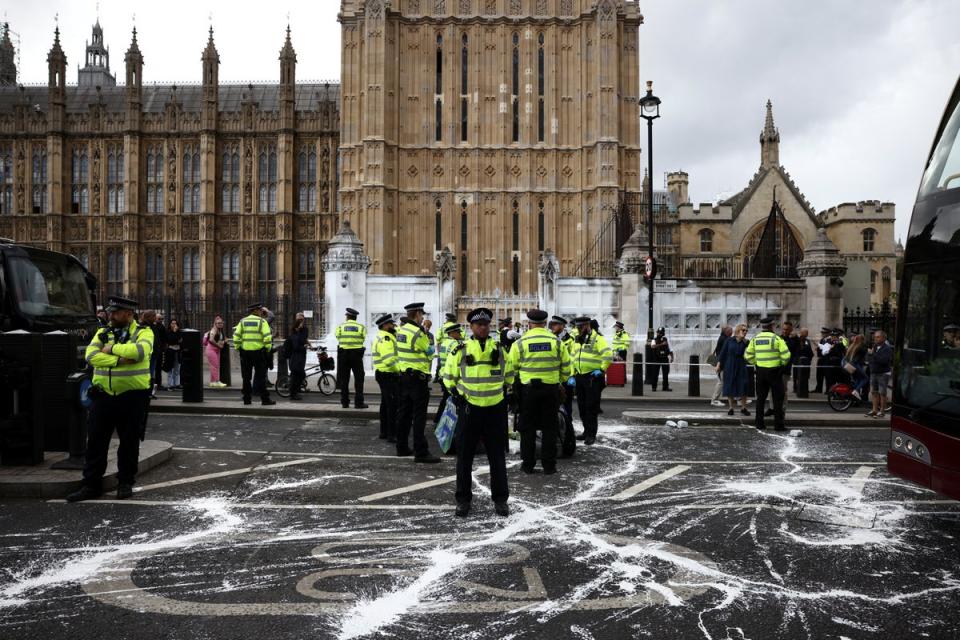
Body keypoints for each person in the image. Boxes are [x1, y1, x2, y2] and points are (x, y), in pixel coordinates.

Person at [67, 296, 154, 502]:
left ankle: (125, 482)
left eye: (115, 312)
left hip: (132, 397)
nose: (111, 315)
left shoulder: (143, 332)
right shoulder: (103, 331)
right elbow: (90, 355)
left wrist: (110, 349)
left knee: (129, 442)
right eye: (110, 312)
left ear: (128, 314)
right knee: (96, 442)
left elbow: (139, 352)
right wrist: (119, 360)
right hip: (103, 395)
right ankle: (91, 485)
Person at [444, 307, 513, 517]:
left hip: (495, 410)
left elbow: (509, 376)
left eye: (486, 325)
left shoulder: (500, 349)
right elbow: (448, 376)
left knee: (497, 458)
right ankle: (463, 501)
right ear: (471, 327)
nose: (483, 328)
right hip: (470, 409)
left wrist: (507, 395)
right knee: (464, 458)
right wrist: (455, 394)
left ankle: (500, 500)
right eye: (478, 325)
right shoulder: (461, 350)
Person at [509, 309, 572, 475]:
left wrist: (516, 384)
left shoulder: (520, 343)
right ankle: (549, 465)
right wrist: (559, 381)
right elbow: (566, 367)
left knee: (527, 428)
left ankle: (528, 465)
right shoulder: (557, 342)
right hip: (550, 390)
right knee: (549, 428)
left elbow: (510, 370)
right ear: (545, 323)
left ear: (529, 324)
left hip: (528, 391)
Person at [395, 302, 441, 463]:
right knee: (419, 416)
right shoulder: (418, 333)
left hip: (403, 377)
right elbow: (429, 352)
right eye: (421, 315)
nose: (423, 318)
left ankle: (401, 447)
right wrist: (427, 333)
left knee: (404, 414)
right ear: (416, 314)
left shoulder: (400, 330)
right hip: (417, 379)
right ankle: (421, 452)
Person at [569, 315, 612, 445]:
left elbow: (608, 355)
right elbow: (572, 358)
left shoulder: (598, 339)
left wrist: (602, 369)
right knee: (582, 407)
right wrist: (572, 374)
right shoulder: (577, 340)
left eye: (581, 327)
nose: (579, 329)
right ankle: (586, 431)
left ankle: (591, 434)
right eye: (577, 327)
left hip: (593, 377)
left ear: (588, 326)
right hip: (580, 377)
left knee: (591, 407)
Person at [745, 317, 791, 431]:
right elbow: (786, 355)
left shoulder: (755, 339)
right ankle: (778, 425)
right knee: (777, 399)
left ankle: (759, 424)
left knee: (760, 398)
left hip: (760, 372)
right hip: (775, 372)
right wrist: (781, 364)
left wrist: (757, 363)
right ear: (772, 326)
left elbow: (747, 356)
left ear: (762, 326)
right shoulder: (776, 339)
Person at [233, 303, 275, 406]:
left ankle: (247, 399)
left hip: (245, 353)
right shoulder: (262, 322)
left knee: (246, 378)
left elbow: (236, 336)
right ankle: (265, 399)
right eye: (260, 310)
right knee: (261, 377)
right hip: (259, 353)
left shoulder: (243, 321)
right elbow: (267, 337)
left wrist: (239, 348)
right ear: (255, 311)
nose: (261, 311)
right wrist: (267, 349)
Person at [549, 315, 577, 458]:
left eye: (555, 325)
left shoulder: (570, 340)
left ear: (562, 326)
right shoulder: (550, 339)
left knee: (566, 408)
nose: (552, 327)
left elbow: (572, 359)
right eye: (551, 324)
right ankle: (555, 434)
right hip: (554, 380)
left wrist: (571, 376)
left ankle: (567, 434)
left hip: (566, 379)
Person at [373, 314, 401, 442]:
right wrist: (399, 371)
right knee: (392, 405)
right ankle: (392, 434)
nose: (393, 326)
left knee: (385, 404)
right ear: (385, 326)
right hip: (388, 375)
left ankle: (384, 432)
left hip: (383, 374)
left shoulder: (380, 336)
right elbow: (389, 360)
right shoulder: (386, 338)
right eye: (391, 324)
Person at [335, 307, 368, 409]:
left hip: (343, 355)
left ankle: (345, 402)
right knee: (359, 379)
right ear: (355, 317)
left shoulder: (341, 327)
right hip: (356, 355)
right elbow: (363, 337)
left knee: (344, 380)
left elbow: (338, 337)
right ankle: (358, 403)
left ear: (347, 317)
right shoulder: (361, 327)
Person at [433, 321, 464, 425]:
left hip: (443, 374)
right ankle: (444, 423)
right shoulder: (454, 344)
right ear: (452, 333)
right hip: (449, 375)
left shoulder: (444, 343)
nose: (459, 334)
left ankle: (438, 420)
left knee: (446, 399)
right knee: (451, 400)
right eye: (458, 332)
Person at [716, 324, 750, 416]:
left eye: (746, 331)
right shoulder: (729, 340)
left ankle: (744, 408)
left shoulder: (746, 342)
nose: (745, 332)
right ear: (738, 330)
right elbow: (722, 353)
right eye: (743, 330)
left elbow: (752, 352)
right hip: (729, 364)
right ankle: (731, 408)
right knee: (729, 384)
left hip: (741, 364)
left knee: (743, 384)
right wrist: (718, 365)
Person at [772, 320, 801, 416]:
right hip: (775, 368)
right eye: (783, 329)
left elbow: (797, 351)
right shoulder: (778, 338)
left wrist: (796, 338)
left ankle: (783, 409)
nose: (785, 331)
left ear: (791, 330)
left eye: (787, 329)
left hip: (785, 370)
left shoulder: (793, 340)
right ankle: (772, 408)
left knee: (783, 390)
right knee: (773, 390)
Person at [866, 330, 893, 418]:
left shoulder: (887, 348)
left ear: (884, 338)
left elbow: (883, 361)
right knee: (874, 392)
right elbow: (870, 359)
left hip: (883, 373)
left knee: (882, 393)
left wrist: (873, 354)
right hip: (874, 372)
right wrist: (871, 357)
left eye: (878, 337)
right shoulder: (875, 346)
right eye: (875, 337)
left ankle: (882, 411)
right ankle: (874, 410)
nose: (875, 339)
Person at [286, 312, 309, 401]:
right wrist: (304, 347)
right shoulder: (295, 335)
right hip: (296, 358)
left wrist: (308, 345)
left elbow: (304, 340)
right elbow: (296, 347)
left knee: (298, 375)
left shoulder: (300, 332)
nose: (302, 324)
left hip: (299, 357)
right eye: (300, 322)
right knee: (297, 375)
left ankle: (294, 392)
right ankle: (293, 394)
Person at [710, 325, 733, 407]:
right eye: (731, 330)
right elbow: (723, 353)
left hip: (722, 364)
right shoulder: (724, 339)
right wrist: (720, 365)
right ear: (727, 332)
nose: (732, 332)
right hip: (721, 365)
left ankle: (738, 398)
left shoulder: (722, 338)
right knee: (721, 382)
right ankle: (714, 400)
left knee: (727, 381)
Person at [204, 316, 228, 388]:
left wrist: (223, 341)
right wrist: (218, 345)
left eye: (221, 323)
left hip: (216, 350)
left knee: (214, 366)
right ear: (215, 324)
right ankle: (217, 382)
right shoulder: (214, 330)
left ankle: (212, 382)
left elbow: (222, 340)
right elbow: (211, 340)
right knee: (215, 366)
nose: (220, 324)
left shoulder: (220, 331)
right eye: (218, 323)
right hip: (211, 350)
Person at [843, 334, 869, 401]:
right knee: (865, 378)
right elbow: (863, 354)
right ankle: (855, 391)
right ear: (862, 340)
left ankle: (851, 395)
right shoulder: (862, 346)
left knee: (857, 380)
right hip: (856, 365)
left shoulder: (852, 346)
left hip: (850, 365)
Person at [648, 327, 674, 391]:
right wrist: (661, 344)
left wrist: (672, 357)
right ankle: (654, 387)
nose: (659, 334)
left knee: (665, 374)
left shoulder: (666, 340)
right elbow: (652, 346)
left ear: (663, 333)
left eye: (660, 333)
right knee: (655, 374)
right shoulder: (654, 339)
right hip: (656, 359)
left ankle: (665, 387)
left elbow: (670, 349)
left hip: (665, 358)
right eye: (658, 332)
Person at [793, 327, 814, 393]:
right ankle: (795, 388)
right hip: (798, 361)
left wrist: (809, 358)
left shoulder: (807, 341)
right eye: (805, 333)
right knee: (796, 376)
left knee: (805, 376)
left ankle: (805, 388)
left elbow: (810, 351)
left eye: (807, 333)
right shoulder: (797, 340)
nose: (807, 334)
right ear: (801, 333)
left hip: (806, 362)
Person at [164, 319, 183, 391]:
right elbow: (170, 340)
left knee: (177, 368)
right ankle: (170, 384)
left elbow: (180, 341)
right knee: (170, 369)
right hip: (170, 351)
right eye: (172, 323)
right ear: (170, 324)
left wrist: (176, 338)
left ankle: (176, 384)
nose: (174, 325)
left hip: (177, 351)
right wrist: (175, 334)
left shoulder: (179, 332)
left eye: (175, 324)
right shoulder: (168, 332)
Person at [813, 327, 831, 394]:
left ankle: (828, 390)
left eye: (824, 333)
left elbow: (827, 350)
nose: (822, 334)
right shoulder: (822, 340)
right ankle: (818, 388)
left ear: (828, 333)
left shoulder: (829, 340)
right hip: (821, 359)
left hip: (826, 360)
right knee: (819, 375)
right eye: (822, 333)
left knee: (827, 376)